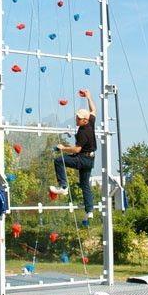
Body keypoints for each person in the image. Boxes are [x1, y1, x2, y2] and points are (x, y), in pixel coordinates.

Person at [50, 89, 97, 220]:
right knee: (84, 184)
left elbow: (76, 150)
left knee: (59, 161)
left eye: (79, 118)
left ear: (85, 121)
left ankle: (63, 186)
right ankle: (89, 211)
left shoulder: (83, 131)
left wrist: (63, 148)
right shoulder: (91, 122)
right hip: (90, 159)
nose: (76, 118)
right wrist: (89, 97)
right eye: (77, 116)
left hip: (82, 158)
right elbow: (93, 110)